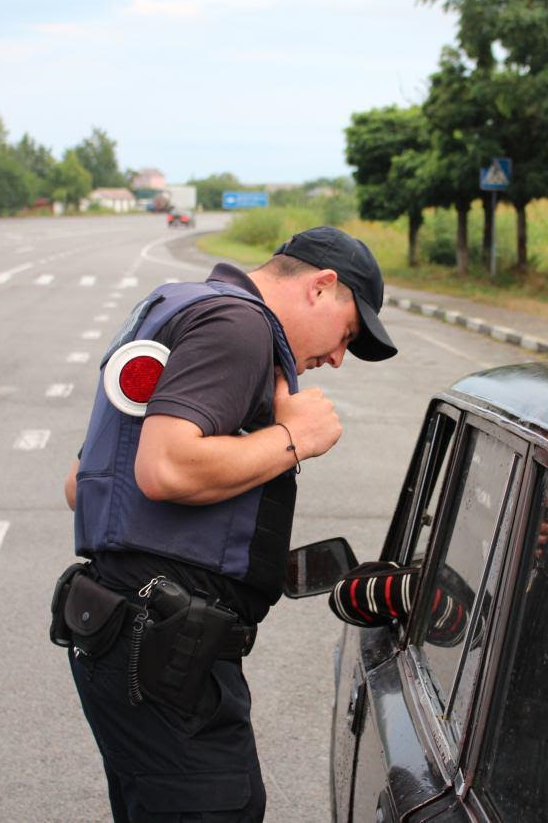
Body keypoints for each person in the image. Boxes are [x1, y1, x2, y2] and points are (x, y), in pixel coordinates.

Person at [58, 226, 397, 821]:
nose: (338, 357)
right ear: (322, 286)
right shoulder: (239, 327)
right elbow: (164, 468)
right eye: (348, 332)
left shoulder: (177, 307)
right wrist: (296, 438)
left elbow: (81, 484)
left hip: (122, 631)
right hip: (163, 646)